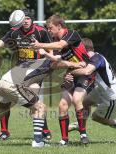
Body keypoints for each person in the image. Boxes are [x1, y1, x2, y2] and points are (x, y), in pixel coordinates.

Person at [0, 48, 84, 147]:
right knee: (40, 107)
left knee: (1, 111)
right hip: (13, 84)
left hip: (3, 82)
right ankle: (38, 141)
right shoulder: (48, 62)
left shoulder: (38, 62)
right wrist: (76, 64)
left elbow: (33, 84)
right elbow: (57, 63)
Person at [0, 9, 53, 141]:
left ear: (32, 20)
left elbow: (50, 50)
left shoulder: (41, 32)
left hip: (34, 73)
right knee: (4, 108)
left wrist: (48, 57)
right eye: (24, 19)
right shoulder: (14, 32)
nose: (26, 21)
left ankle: (42, 134)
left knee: (35, 103)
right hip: (19, 72)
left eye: (28, 19)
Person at [31, 14, 95, 145]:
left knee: (77, 99)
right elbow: (56, 64)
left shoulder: (72, 34)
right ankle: (64, 140)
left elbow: (60, 45)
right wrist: (67, 64)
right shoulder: (56, 45)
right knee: (62, 105)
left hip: (86, 74)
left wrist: (39, 45)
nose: (48, 31)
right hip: (72, 74)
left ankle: (83, 134)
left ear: (59, 26)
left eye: (50, 28)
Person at [65, 38, 116, 131]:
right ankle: (80, 125)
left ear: (83, 49)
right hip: (101, 90)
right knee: (84, 103)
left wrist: (70, 72)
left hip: (112, 96)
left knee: (95, 117)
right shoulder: (90, 59)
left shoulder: (97, 58)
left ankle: (115, 122)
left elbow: (86, 72)